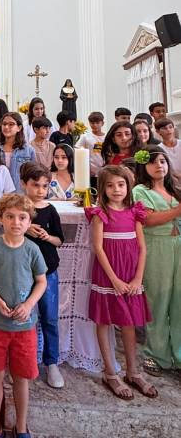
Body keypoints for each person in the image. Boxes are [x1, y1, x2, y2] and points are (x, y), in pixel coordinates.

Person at [0, 194, 47, 438]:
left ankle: (21, 426)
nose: (16, 222)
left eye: (22, 217)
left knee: (21, 377)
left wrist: (28, 304)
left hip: (23, 326)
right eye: (10, 216)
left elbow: (41, 281)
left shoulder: (32, 249)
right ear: (1, 219)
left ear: (29, 222)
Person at [85, 165, 156, 399]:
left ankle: (133, 372)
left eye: (121, 184)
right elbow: (98, 248)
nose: (116, 189)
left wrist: (137, 278)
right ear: (102, 189)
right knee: (105, 320)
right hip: (109, 275)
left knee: (129, 322)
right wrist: (114, 279)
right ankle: (110, 373)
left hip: (130, 274)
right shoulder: (100, 214)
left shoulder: (135, 212)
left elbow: (142, 248)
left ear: (128, 186)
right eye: (110, 185)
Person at [132, 146, 181, 377]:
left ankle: (178, 355)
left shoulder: (175, 188)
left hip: (179, 245)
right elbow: (148, 220)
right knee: (158, 300)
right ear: (144, 167)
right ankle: (156, 354)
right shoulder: (140, 191)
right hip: (156, 247)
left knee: (179, 300)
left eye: (162, 161)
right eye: (153, 162)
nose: (159, 165)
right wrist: (178, 211)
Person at [22, 164, 65, 388]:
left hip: (48, 271)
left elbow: (59, 240)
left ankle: (51, 362)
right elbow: (5, 225)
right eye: (35, 185)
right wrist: (25, 227)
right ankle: (24, 360)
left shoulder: (50, 209)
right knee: (24, 317)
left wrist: (47, 237)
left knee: (49, 317)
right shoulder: (19, 206)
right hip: (23, 272)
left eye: (44, 186)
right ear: (24, 184)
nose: (40, 190)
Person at [0, 112, 35, 193]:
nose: (6, 127)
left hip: (20, 194)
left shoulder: (28, 150)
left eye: (11, 124)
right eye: (4, 124)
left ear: (19, 127)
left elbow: (33, 174)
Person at [75, 112, 105, 187]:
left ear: (102, 123)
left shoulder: (107, 137)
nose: (94, 125)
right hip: (89, 173)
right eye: (92, 123)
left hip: (103, 171)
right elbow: (77, 149)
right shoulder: (85, 137)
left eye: (97, 123)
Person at [154, 118, 181, 192]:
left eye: (170, 127)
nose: (168, 130)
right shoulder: (159, 149)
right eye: (164, 128)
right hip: (172, 185)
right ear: (158, 131)